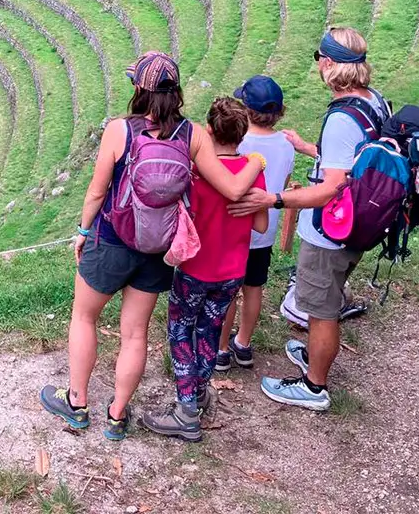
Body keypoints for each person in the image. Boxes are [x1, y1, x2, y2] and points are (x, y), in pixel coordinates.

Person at [40, 52, 264, 440]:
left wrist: (82, 230)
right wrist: (256, 162)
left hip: (112, 238)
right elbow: (230, 188)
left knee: (84, 318)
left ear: (138, 89)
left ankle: (76, 404)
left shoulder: (119, 130)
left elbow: (97, 191)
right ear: (176, 91)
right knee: (135, 333)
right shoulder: (192, 134)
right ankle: (117, 415)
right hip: (159, 249)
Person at [228, 27, 388, 412]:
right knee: (325, 300)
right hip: (361, 218)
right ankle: (315, 350)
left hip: (331, 229)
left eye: (319, 58)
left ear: (330, 64)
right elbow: (351, 161)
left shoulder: (340, 119)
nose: (317, 65)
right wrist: (307, 148)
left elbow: (330, 187)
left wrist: (277, 199)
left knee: (321, 308)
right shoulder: (374, 102)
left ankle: (314, 386)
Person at [141, 97, 268, 442]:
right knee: (211, 330)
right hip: (232, 271)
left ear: (208, 130)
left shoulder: (197, 174)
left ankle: (185, 412)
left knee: (181, 331)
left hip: (196, 269)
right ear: (242, 135)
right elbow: (260, 224)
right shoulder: (252, 170)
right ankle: (199, 392)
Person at [215, 76, 295, 372]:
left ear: (246, 110)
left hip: (234, 229)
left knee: (228, 290)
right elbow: (284, 184)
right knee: (254, 287)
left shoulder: (241, 141)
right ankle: (244, 345)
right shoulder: (286, 144)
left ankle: (221, 350)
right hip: (266, 230)